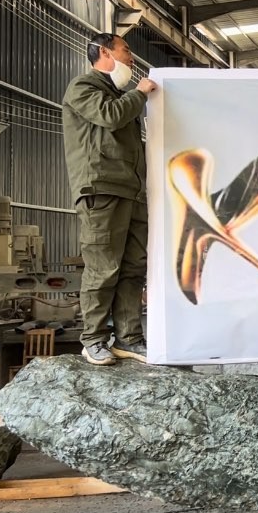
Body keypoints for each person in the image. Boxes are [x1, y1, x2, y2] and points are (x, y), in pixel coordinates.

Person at [61, 33, 157, 365]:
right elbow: (110, 116)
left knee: (133, 267)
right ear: (104, 52)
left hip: (131, 192)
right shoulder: (83, 88)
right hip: (101, 189)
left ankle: (129, 338)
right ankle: (94, 339)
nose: (131, 57)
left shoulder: (121, 97)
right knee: (103, 267)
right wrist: (140, 93)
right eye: (126, 50)